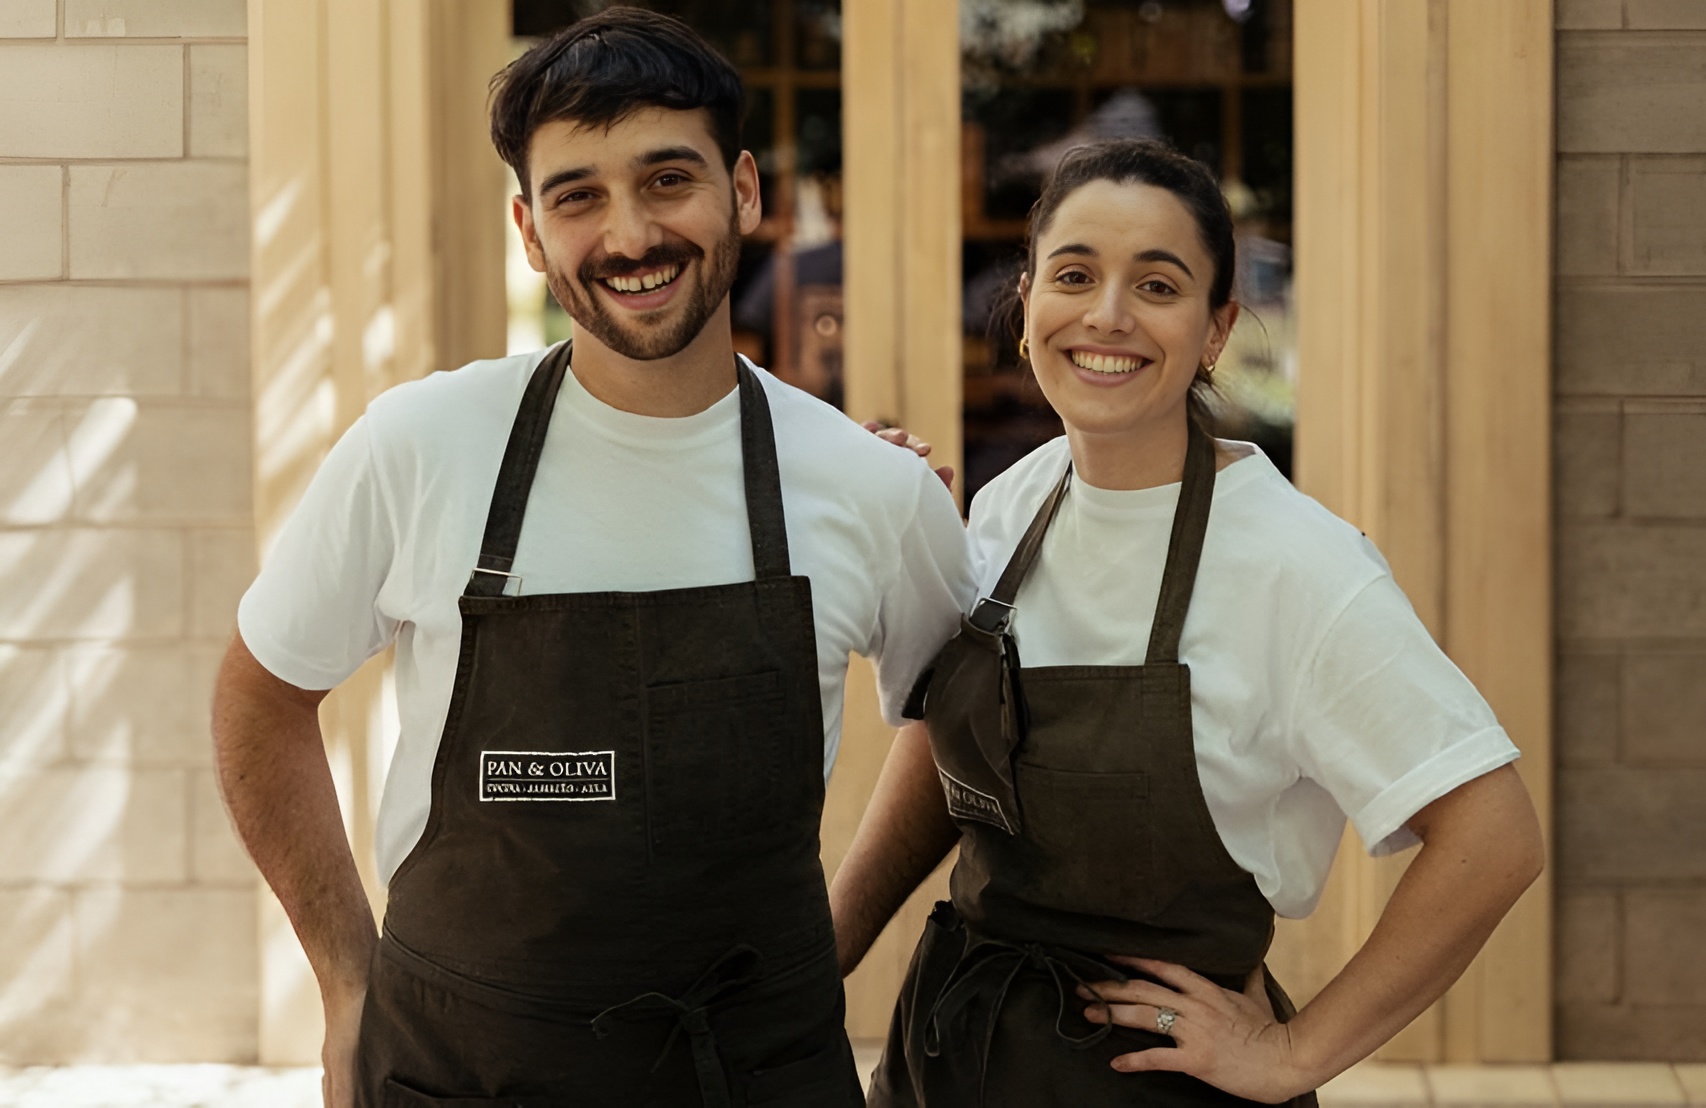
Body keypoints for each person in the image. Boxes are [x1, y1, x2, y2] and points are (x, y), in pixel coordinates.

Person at [210, 9, 972, 1106]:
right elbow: (259, 693)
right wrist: (344, 978)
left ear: (743, 191)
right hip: (451, 1072)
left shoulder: (871, 486)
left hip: (753, 1073)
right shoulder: (419, 445)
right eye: (578, 196)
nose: (629, 234)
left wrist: (833, 940)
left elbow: (960, 729)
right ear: (528, 229)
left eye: (669, 179)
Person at [830, 139, 1544, 1107]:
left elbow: (1491, 835)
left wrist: (1290, 1055)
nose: (1107, 315)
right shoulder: (1011, 505)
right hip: (951, 1060)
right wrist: (824, 949)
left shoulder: (1295, 564)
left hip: (1147, 1081)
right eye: (1073, 274)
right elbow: (958, 749)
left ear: (1215, 330)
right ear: (1026, 301)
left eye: (1156, 286)